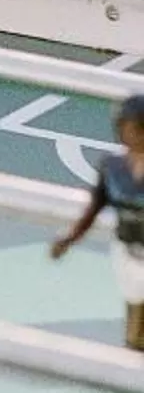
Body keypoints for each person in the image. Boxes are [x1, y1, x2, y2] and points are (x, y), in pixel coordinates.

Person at [49, 92, 144, 351]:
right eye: (124, 124)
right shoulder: (111, 168)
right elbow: (94, 208)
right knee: (135, 328)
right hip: (127, 254)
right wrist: (69, 238)